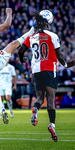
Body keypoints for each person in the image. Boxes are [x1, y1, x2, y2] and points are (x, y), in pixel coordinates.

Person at [18, 12, 75, 142]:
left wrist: (22, 60)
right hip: (49, 69)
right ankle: (52, 124)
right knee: (50, 98)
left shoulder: (31, 37)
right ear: (47, 23)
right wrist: (66, 65)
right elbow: (59, 56)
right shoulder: (53, 36)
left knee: (40, 97)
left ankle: (36, 110)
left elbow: (21, 51)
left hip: (36, 70)